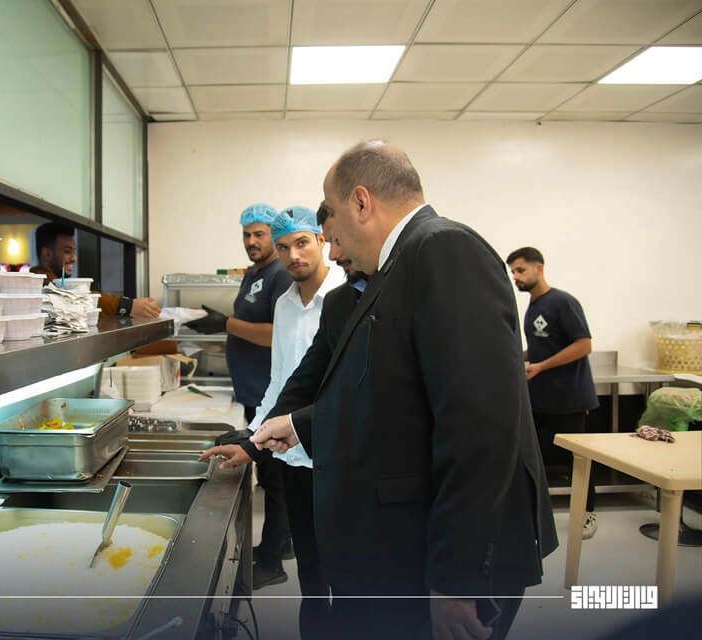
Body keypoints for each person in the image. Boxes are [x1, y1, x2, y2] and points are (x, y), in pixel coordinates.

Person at [251, 140, 558, 640]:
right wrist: (299, 424)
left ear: (361, 202)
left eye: (334, 218)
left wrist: (455, 580)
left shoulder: (443, 249)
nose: (333, 242)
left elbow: (479, 426)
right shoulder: (394, 268)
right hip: (408, 543)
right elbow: (395, 399)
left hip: (457, 561)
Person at [201, 203, 354, 636]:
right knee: (310, 569)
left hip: (339, 455)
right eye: (284, 247)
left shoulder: (348, 298)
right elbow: (281, 380)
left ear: (321, 240)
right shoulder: (285, 304)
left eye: (301, 243)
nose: (293, 256)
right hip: (293, 455)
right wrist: (253, 439)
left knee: (347, 572)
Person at [185, 203, 295, 587]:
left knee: (276, 481)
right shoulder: (254, 274)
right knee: (272, 475)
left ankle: (272, 563)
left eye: (259, 234)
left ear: (273, 235)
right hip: (253, 392)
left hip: (271, 395)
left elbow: (276, 334)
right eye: (246, 234)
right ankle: (282, 545)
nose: (251, 241)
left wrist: (225, 324)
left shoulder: (280, 274)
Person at [507, 247, 600, 539]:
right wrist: (514, 356)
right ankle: (531, 515)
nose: (515, 277)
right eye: (513, 272)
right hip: (540, 399)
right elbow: (540, 348)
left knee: (578, 460)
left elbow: (583, 345)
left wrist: (542, 366)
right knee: (530, 456)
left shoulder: (562, 302)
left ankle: (587, 513)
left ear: (539, 268)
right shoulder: (533, 307)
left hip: (569, 399)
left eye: (520, 270)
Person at [30, 222, 160, 318]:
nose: (74, 258)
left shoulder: (56, 282)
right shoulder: (38, 283)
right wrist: (126, 306)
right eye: (67, 251)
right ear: (47, 254)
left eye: (74, 251)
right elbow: (76, 298)